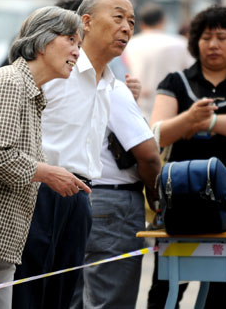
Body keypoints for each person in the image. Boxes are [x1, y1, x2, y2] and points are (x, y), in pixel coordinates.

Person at [0, 6, 89, 309]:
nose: (77, 52)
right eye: (71, 40)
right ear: (43, 41)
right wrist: (48, 173)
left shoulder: (30, 90)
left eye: (80, 44)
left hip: (2, 234)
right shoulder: (10, 82)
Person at [12, 0, 138, 309]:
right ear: (87, 22)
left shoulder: (110, 82)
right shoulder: (53, 66)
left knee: (66, 294)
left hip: (80, 195)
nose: (126, 28)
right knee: (29, 290)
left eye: (132, 22)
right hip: (39, 189)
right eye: (118, 17)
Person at [147, 5, 226, 309]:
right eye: (205, 37)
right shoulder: (175, 82)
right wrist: (189, 119)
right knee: (164, 288)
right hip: (181, 197)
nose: (212, 44)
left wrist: (209, 123)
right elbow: (157, 133)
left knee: (223, 290)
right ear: (195, 42)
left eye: (221, 37)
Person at [70, 79, 161, 309]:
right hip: (112, 199)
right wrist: (155, 195)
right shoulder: (111, 88)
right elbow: (149, 156)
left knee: (74, 297)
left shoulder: (61, 82)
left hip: (72, 194)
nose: (124, 40)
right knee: (110, 301)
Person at [123, 2, 194, 120]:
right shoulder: (180, 43)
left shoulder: (129, 45)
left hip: (138, 106)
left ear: (141, 23)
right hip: (173, 107)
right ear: (163, 20)